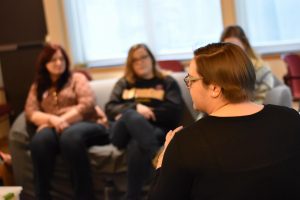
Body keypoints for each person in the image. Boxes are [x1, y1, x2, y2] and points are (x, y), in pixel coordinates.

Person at [148, 43, 300, 200]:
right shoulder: (291, 118)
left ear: (214, 88)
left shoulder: (186, 143)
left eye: (191, 79)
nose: (188, 86)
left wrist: (163, 164)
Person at [25, 43, 109, 200]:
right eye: (53, 60)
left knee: (69, 137)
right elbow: (30, 112)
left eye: (61, 59)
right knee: (39, 141)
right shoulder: (38, 86)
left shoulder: (76, 78)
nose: (58, 63)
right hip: (55, 125)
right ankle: (41, 195)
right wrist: (51, 119)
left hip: (86, 122)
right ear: (44, 64)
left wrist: (60, 120)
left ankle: (84, 196)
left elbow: (87, 104)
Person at [105, 43, 183, 200]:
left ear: (152, 59)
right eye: (135, 60)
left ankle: (132, 196)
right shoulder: (124, 84)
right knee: (130, 114)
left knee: (136, 144)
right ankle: (156, 158)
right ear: (130, 64)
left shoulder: (167, 82)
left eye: (143, 57)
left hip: (155, 130)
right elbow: (110, 108)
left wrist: (149, 113)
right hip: (121, 133)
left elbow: (174, 110)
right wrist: (136, 108)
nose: (140, 62)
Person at [220, 25, 274, 104]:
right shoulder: (219, 70)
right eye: (227, 48)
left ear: (245, 44)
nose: (232, 53)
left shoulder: (261, 69)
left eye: (236, 47)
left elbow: (260, 101)